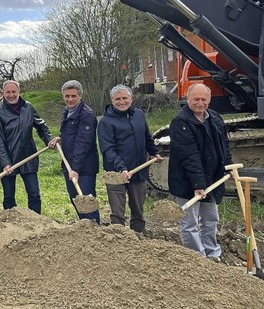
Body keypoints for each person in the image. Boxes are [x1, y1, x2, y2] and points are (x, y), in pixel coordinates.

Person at [168, 83, 233, 261]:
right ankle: (196, 259)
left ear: (209, 100)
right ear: (187, 99)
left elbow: (224, 146)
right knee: (189, 222)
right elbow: (189, 156)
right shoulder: (180, 122)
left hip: (211, 181)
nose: (200, 103)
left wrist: (229, 165)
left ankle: (212, 254)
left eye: (204, 99)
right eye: (196, 99)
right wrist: (198, 184)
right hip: (187, 181)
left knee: (211, 219)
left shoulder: (215, 119)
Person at [97, 84, 162, 233]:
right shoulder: (105, 122)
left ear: (131, 99)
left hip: (138, 170)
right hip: (116, 174)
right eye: (117, 99)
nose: (121, 102)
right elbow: (108, 149)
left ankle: (138, 238)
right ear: (112, 101)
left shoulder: (138, 115)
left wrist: (154, 152)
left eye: (124, 98)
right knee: (118, 213)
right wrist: (122, 168)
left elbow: (147, 136)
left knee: (138, 211)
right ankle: (119, 240)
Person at [0, 80, 54, 214]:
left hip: (28, 157)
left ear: (19, 92)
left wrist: (49, 139)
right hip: (8, 160)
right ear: (3, 93)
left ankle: (36, 222)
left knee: (34, 194)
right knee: (8, 197)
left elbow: (41, 126)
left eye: (14, 92)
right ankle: (11, 224)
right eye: (8, 92)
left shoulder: (28, 108)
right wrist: (5, 162)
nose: (11, 95)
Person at [50, 80, 100, 223]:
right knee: (76, 201)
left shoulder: (87, 115)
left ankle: (94, 231)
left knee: (87, 202)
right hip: (69, 165)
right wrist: (61, 138)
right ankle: (84, 229)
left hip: (84, 167)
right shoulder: (67, 111)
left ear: (80, 96)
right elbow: (72, 134)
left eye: (73, 96)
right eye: (67, 96)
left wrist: (76, 169)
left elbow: (83, 143)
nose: (70, 99)